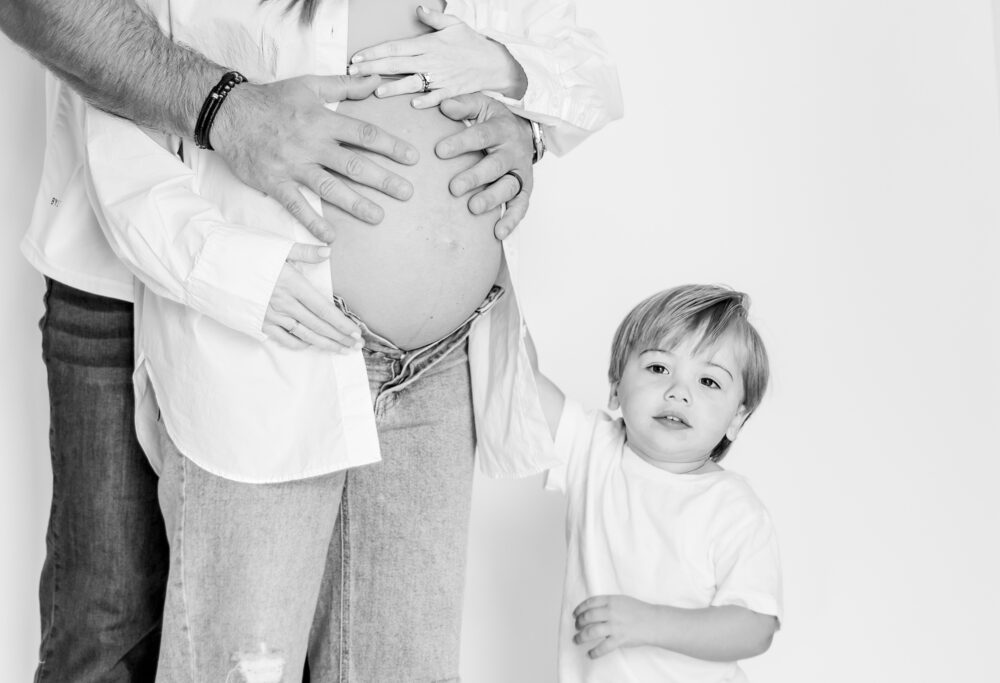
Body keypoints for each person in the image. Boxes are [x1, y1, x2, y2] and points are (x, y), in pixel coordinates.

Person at [1, 1, 621, 681]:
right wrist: (235, 270)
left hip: (440, 365)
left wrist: (521, 116)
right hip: (261, 345)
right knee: (161, 637)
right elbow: (114, 108)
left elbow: (568, 57)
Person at [531, 284, 782, 682]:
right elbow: (519, 375)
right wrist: (492, 264)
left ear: (737, 419)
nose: (678, 392)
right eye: (658, 368)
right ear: (616, 386)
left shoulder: (732, 507)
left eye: (709, 382)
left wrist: (650, 623)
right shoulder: (594, 451)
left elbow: (755, 627)